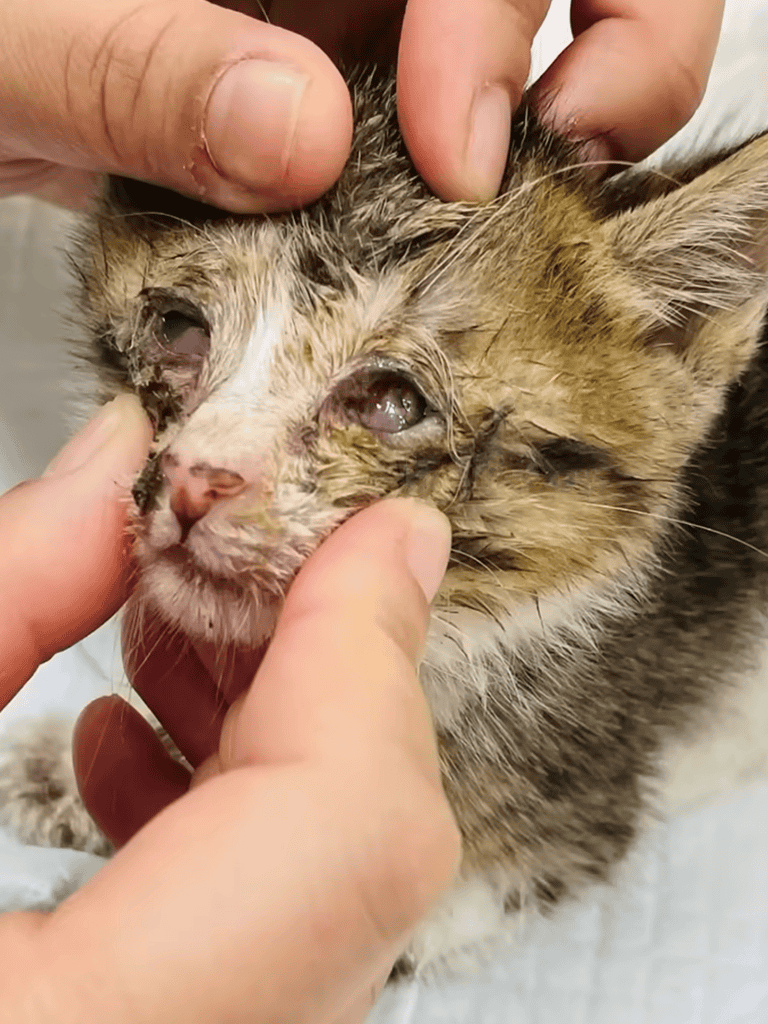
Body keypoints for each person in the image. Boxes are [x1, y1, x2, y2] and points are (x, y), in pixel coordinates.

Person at [0, 2, 725, 1020]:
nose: (201, 465)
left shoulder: (539, 721)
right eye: (180, 331)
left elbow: (573, 840)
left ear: (678, 329)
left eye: (390, 399)